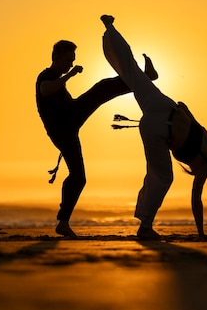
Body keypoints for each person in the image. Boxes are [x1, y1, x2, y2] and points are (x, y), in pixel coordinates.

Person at [100, 15, 207, 240]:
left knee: (134, 74)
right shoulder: (201, 166)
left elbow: (184, 107)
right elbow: (196, 200)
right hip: (156, 129)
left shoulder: (205, 136)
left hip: (164, 108)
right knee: (161, 176)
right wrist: (201, 233)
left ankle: (110, 28)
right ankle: (145, 226)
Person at [36, 38, 158, 237]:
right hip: (64, 124)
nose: (71, 65)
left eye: (73, 61)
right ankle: (145, 78)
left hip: (69, 124)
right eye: (68, 60)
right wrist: (70, 76)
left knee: (77, 177)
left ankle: (63, 223)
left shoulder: (55, 76)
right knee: (101, 89)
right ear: (56, 57)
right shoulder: (46, 75)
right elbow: (45, 90)